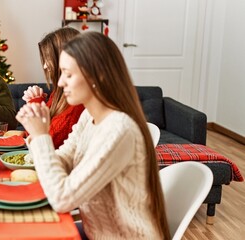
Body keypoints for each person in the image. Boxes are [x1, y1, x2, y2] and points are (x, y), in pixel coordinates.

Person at [16, 32, 170, 239]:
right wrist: (38, 136)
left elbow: (62, 199)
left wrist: (42, 137)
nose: (60, 82)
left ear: (98, 76)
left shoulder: (119, 129)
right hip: (96, 231)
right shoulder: (89, 116)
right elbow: (63, 159)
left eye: (68, 74)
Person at [22, 27, 85, 148]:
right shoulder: (58, 93)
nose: (45, 66)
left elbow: (47, 143)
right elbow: (32, 134)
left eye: (48, 58)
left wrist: (35, 103)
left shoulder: (77, 102)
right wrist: (37, 101)